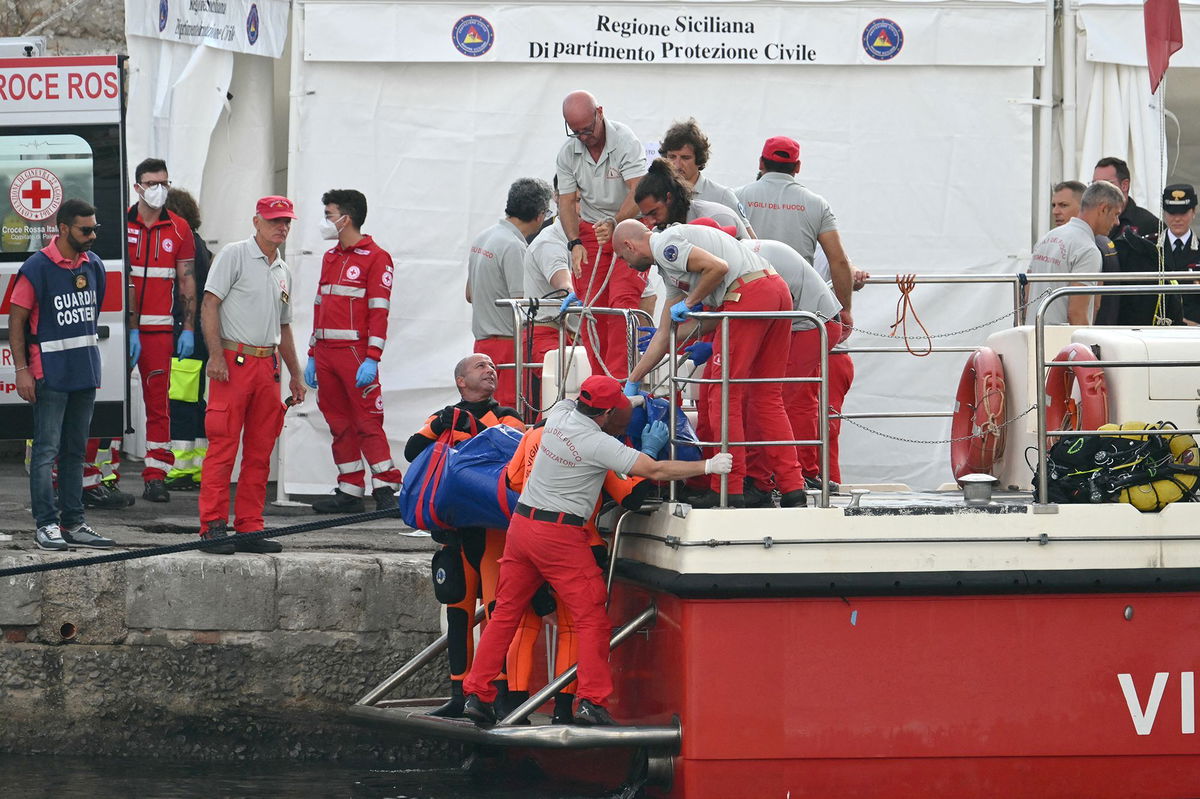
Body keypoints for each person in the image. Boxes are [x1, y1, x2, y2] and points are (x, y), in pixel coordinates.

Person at [461, 375, 733, 727]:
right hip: (560, 534)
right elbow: (652, 469)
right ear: (605, 412)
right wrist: (708, 466)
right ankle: (592, 701)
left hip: (522, 525)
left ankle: (477, 695)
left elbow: (574, 408)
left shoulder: (559, 414)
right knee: (590, 619)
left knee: (505, 614)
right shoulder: (596, 443)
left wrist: (634, 399)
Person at [615, 219, 808, 508]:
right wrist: (634, 377)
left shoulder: (666, 244)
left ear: (629, 245)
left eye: (622, 256)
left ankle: (727, 487)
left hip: (746, 295)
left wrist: (691, 301)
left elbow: (718, 268)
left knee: (722, 393)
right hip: (774, 290)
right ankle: (793, 487)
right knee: (767, 396)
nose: (626, 265)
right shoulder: (671, 271)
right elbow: (666, 335)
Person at [687, 218, 845, 498]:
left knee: (764, 402)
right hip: (796, 320)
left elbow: (740, 308)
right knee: (762, 400)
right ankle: (775, 481)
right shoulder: (741, 255)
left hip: (808, 325)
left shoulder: (740, 264)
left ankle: (759, 482)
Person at [405, 353, 524, 718]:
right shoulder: (443, 417)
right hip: (452, 533)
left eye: (493, 367)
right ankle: (458, 693)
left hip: (490, 533)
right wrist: (440, 424)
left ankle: (495, 694)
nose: (491, 370)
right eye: (481, 367)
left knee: (494, 613)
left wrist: (476, 421)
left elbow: (516, 449)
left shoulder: (506, 416)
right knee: (457, 612)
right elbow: (412, 451)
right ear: (461, 380)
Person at [196, 196, 306, 554]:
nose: (282, 227)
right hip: (233, 360)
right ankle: (213, 526)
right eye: (275, 220)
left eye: (286, 221)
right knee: (223, 447)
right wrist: (215, 356)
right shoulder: (234, 254)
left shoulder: (282, 270)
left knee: (260, 452)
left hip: (266, 366)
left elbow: (284, 327)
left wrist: (295, 375)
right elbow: (209, 303)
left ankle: (249, 525)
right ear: (256, 221)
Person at [8, 198, 117, 551]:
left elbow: (92, 315)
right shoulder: (37, 267)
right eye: (86, 230)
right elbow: (17, 321)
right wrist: (22, 370)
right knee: (45, 452)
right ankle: (46, 525)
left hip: (84, 372)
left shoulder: (94, 265)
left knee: (74, 452)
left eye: (95, 229)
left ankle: (73, 523)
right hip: (50, 374)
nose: (92, 235)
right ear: (64, 228)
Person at [303, 189, 402, 513]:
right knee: (338, 423)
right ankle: (350, 490)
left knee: (367, 422)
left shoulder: (376, 258)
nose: (326, 221)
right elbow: (319, 306)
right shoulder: (331, 257)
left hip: (356, 354)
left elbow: (379, 311)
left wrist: (373, 358)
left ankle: (386, 488)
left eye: (329, 215)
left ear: (346, 218)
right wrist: (313, 354)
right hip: (328, 354)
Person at [556, 90, 648, 380]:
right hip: (592, 232)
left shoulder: (625, 141)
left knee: (622, 305)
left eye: (587, 130)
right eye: (576, 132)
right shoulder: (567, 152)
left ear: (600, 113)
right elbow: (566, 201)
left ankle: (621, 383)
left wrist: (615, 222)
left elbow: (639, 192)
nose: (583, 137)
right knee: (592, 311)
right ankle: (599, 383)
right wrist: (574, 243)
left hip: (627, 227)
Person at [126, 158, 198, 503]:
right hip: (122, 331)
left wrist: (188, 328)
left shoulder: (180, 228)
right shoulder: (119, 222)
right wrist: (128, 327)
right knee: (108, 400)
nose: (159, 190)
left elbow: (187, 281)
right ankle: (97, 475)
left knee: (159, 404)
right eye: (152, 183)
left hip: (160, 332)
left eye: (164, 184)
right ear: (137, 186)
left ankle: (156, 475)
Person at [736, 136, 855, 334]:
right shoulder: (817, 204)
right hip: (799, 312)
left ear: (761, 163)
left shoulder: (737, 197)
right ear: (797, 167)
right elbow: (839, 260)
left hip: (747, 306)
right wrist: (845, 310)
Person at [466, 178, 553, 409]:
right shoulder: (514, 246)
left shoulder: (483, 237)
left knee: (485, 413)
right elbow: (521, 305)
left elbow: (469, 294)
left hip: (482, 344)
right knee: (508, 415)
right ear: (540, 215)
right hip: (506, 348)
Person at [163, 187, 212, 491]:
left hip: (187, 332)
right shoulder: (199, 243)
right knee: (194, 400)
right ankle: (196, 466)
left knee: (181, 401)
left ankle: (181, 468)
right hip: (198, 334)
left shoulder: (185, 244)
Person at [1026, 181, 1125, 326]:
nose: (1117, 222)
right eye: (1116, 214)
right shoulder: (1088, 250)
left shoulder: (1047, 238)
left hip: (1032, 336)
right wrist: (1087, 347)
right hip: (1061, 343)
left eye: (1063, 205)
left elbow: (1026, 293)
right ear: (1103, 209)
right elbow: (1077, 313)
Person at [523, 184, 577, 417]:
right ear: (558, 199)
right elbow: (564, 284)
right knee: (558, 400)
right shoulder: (550, 242)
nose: (583, 206)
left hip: (570, 334)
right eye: (576, 200)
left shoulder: (584, 239)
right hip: (546, 335)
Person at [659, 118, 754, 234]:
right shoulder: (657, 193)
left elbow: (750, 240)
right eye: (672, 157)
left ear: (699, 160)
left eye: (685, 158)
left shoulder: (723, 196)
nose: (677, 165)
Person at [635, 158, 749, 238]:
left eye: (654, 213)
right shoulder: (660, 231)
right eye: (646, 216)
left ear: (669, 198)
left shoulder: (717, 218)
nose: (651, 222)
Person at [1159, 184, 1200, 325]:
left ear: (1193, 212)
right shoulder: (1151, 248)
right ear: (1164, 213)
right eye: (1172, 213)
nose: (1177, 219)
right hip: (1157, 328)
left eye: (1183, 213)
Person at [1093, 156, 1162, 239]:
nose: (1098, 191)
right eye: (1094, 185)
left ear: (1124, 185)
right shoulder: (1091, 220)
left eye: (1105, 184)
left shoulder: (1149, 224)